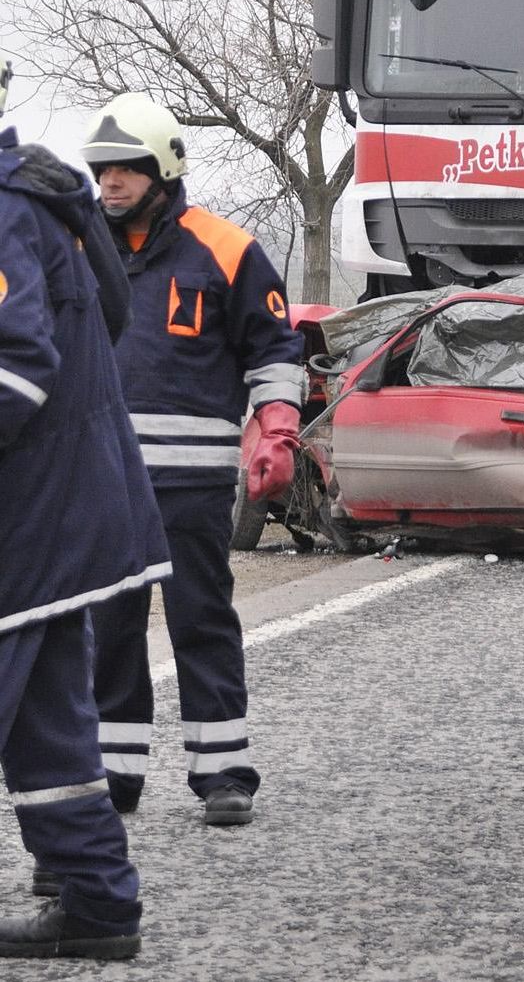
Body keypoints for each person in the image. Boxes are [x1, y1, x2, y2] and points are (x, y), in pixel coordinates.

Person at [79, 92, 304, 827]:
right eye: (102, 170)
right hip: (103, 480)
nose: (110, 182)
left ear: (164, 170)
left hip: (193, 485)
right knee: (107, 631)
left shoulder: (228, 249)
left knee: (200, 621)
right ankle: (114, 776)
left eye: (126, 169)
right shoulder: (76, 250)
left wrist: (277, 429)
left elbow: (275, 351)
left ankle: (223, 774)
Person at [0, 59, 172, 958]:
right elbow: (108, 316)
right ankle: (99, 908)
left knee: (44, 718)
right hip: (74, 508)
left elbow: (16, 366)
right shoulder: (43, 194)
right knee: (49, 732)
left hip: (29, 518)